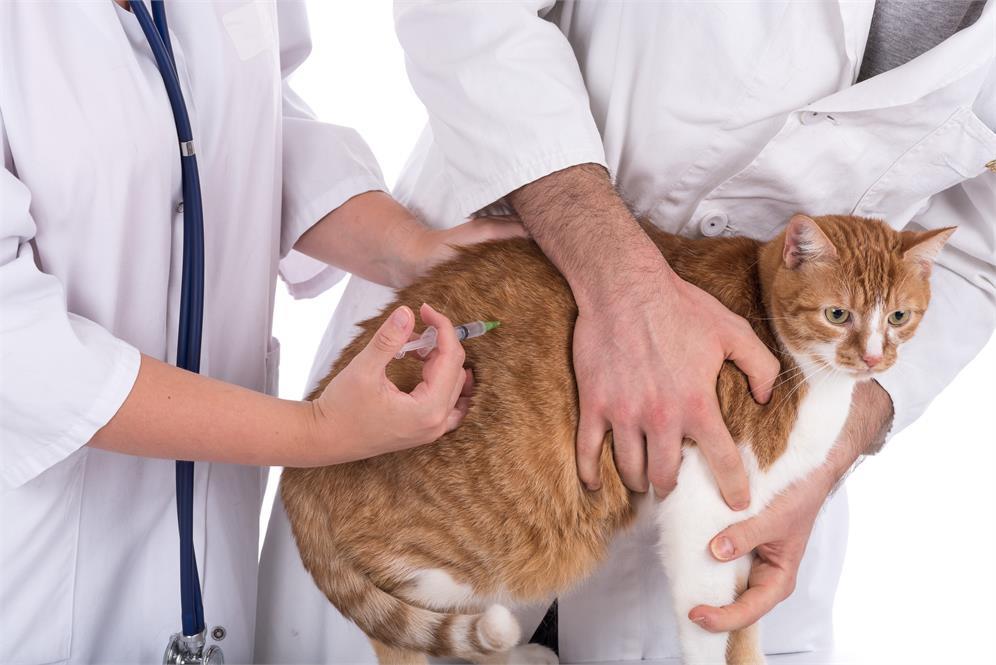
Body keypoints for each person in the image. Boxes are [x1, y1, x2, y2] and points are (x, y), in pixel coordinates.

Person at [256, 1, 996, 662]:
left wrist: (823, 455)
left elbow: (975, 249)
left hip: (775, 406)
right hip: (501, 360)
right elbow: (468, 14)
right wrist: (620, 282)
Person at [0, 2, 524, 663]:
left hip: (215, 572)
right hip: (32, 589)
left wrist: (408, 250)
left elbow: (252, 113)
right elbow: (21, 350)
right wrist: (320, 433)